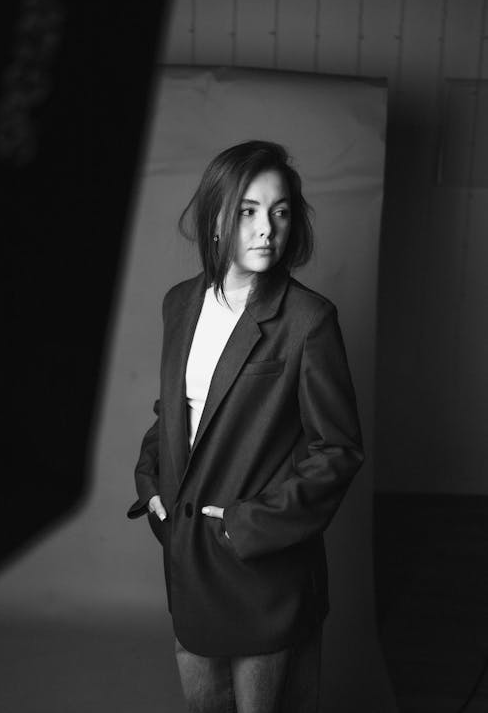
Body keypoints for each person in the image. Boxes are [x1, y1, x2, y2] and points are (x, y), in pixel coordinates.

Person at [127, 140, 364, 713]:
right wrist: (152, 486)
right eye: (248, 211)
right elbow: (175, 410)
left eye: (280, 212)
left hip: (261, 567)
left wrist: (246, 525)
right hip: (188, 560)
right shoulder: (179, 304)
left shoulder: (309, 320)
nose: (266, 229)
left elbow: (338, 450)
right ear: (216, 220)